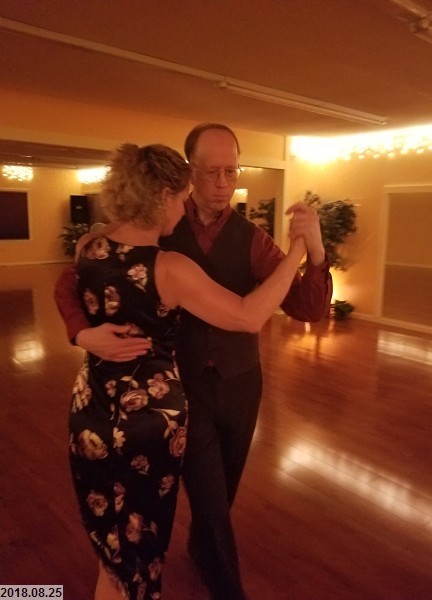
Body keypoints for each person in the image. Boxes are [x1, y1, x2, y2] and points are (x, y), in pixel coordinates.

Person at [54, 124, 332, 600]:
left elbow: (307, 308)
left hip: (239, 384)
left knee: (219, 496)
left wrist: (316, 252)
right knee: (206, 502)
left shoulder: (252, 239)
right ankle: (226, 587)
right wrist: (81, 331)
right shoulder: (159, 226)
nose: (223, 183)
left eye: (232, 172)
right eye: (211, 172)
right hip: (174, 395)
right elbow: (71, 279)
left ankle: (196, 553)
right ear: (187, 175)